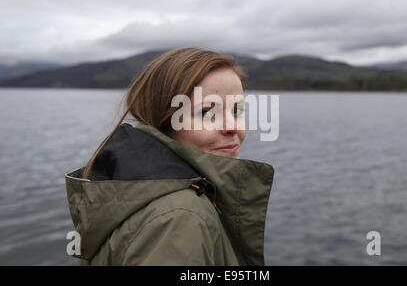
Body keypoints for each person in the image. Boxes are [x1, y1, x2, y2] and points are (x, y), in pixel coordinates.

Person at [65, 47, 275, 265]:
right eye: (206, 112)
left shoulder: (137, 187)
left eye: (236, 111)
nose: (233, 127)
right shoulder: (179, 218)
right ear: (164, 119)